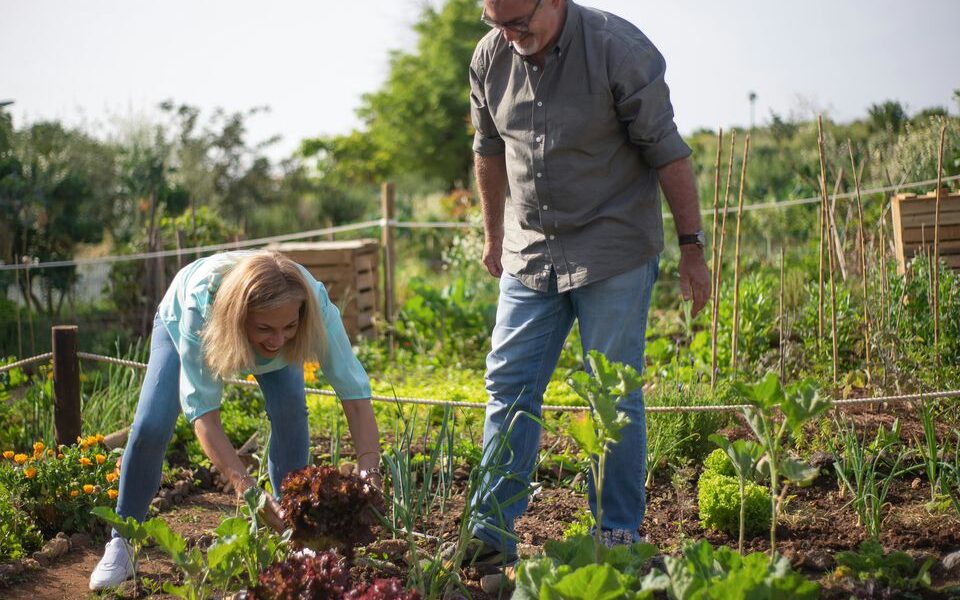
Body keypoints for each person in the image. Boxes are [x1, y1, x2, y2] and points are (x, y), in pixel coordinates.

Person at [465, 0, 711, 565]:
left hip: (613, 249)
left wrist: (692, 249)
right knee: (508, 387)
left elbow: (668, 152)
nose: (509, 35)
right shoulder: (489, 57)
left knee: (613, 396)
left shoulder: (617, 49)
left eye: (519, 21)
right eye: (496, 22)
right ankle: (488, 538)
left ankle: (617, 537)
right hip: (530, 250)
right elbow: (488, 149)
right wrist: (493, 234)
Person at [89, 250, 381, 591]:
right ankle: (122, 540)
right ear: (242, 317)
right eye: (265, 328)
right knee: (151, 426)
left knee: (290, 414)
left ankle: (295, 532)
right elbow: (204, 416)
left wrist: (369, 470)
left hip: (263, 326)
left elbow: (355, 393)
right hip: (184, 320)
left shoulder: (312, 304)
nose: (277, 340)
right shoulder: (202, 309)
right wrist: (248, 490)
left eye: (289, 326)